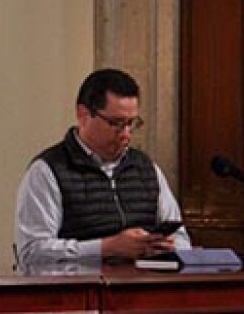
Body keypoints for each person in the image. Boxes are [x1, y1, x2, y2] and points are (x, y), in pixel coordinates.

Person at [14, 68, 191, 269]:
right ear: (83, 115)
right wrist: (106, 248)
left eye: (131, 123)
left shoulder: (146, 168)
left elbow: (181, 239)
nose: (126, 134)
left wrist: (165, 247)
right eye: (116, 123)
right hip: (79, 294)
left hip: (143, 290)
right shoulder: (48, 171)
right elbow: (31, 252)